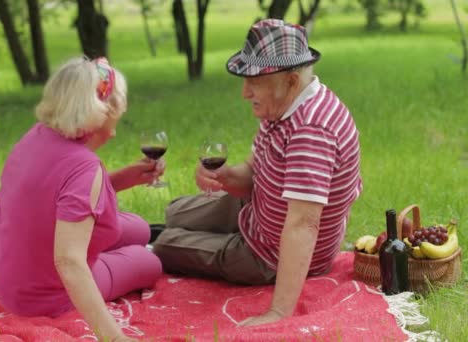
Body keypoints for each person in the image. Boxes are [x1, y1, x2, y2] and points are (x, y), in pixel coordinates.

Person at [152, 19, 363, 326]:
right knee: (175, 213)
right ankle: (143, 233)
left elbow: (303, 225)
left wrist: (278, 312)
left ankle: (144, 241)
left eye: (255, 81)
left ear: (291, 80)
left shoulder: (311, 131)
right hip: (260, 209)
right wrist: (224, 176)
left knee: (165, 245)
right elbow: (254, 172)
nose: (244, 92)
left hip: (271, 254)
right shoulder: (282, 107)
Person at [0, 57, 163, 341]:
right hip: (42, 294)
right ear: (106, 109)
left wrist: (127, 177)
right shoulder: (84, 168)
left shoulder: (36, 137)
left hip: (10, 269)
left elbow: (58, 196)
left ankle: (105, 252)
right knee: (149, 263)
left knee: (140, 228)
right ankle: (111, 258)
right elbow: (68, 262)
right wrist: (116, 338)